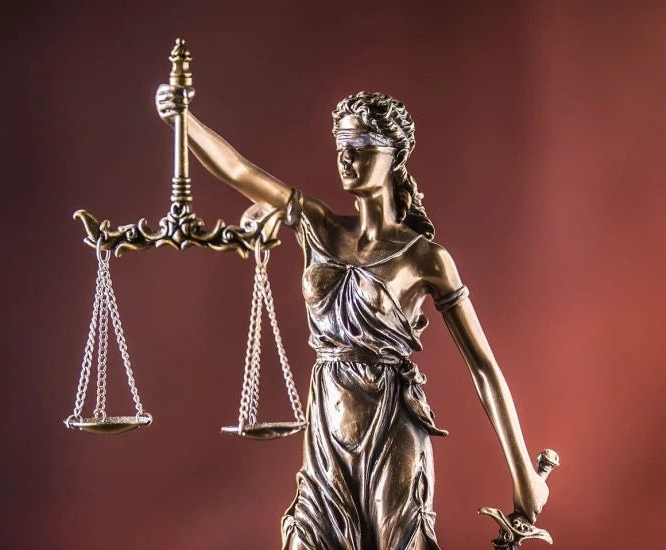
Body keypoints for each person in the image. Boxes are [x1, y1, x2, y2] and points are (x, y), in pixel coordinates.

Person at [153, 87, 550, 549]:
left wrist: (524, 475)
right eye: (341, 146)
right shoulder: (318, 226)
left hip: (392, 427)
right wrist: (183, 119)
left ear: (394, 156)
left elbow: (484, 368)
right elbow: (240, 171)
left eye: (361, 148)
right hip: (325, 425)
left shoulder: (426, 259)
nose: (346, 158)